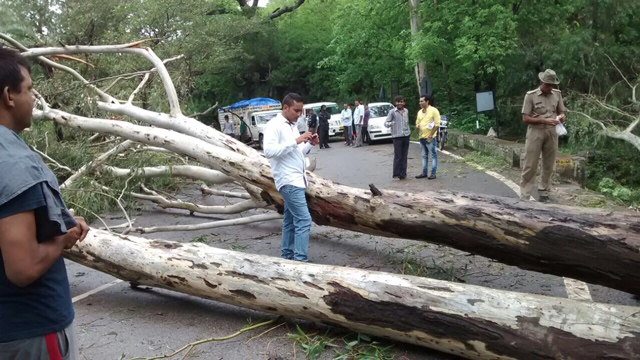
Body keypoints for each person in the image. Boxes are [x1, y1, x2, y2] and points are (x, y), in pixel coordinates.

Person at [0, 48, 90, 359]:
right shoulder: (13, 163)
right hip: (31, 332)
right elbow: (22, 268)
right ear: (9, 96)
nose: (35, 97)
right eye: (29, 88)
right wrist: (63, 239)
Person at [263, 93, 319, 262]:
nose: (299, 114)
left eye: (301, 111)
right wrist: (296, 141)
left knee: (290, 220)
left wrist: (308, 143)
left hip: (297, 179)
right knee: (303, 219)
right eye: (296, 110)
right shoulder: (274, 125)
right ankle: (300, 260)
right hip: (288, 180)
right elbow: (269, 151)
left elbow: (296, 153)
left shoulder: (292, 125)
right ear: (285, 108)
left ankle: (287, 256)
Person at [520, 69, 566, 201]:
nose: (549, 87)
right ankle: (525, 196)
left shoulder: (557, 94)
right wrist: (543, 120)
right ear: (541, 82)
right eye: (547, 84)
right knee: (530, 164)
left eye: (552, 85)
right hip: (536, 131)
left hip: (552, 132)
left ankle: (544, 192)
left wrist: (562, 117)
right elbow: (525, 118)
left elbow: (562, 112)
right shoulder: (531, 96)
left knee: (549, 165)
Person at [384, 95, 411, 180]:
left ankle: (403, 174)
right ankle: (396, 173)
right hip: (397, 136)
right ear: (395, 103)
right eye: (398, 102)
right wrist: (391, 123)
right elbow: (386, 123)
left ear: (404, 103)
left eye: (401, 102)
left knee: (404, 155)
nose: (400, 103)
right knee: (398, 156)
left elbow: (407, 122)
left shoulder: (406, 111)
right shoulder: (392, 112)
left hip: (406, 135)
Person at [415, 95, 440, 179]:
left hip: (430, 138)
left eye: (422, 101)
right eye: (420, 101)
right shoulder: (419, 112)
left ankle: (433, 173)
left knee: (433, 155)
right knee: (424, 156)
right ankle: (424, 172)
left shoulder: (434, 110)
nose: (420, 103)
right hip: (421, 137)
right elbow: (417, 122)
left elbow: (437, 124)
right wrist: (417, 126)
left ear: (427, 101)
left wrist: (431, 135)